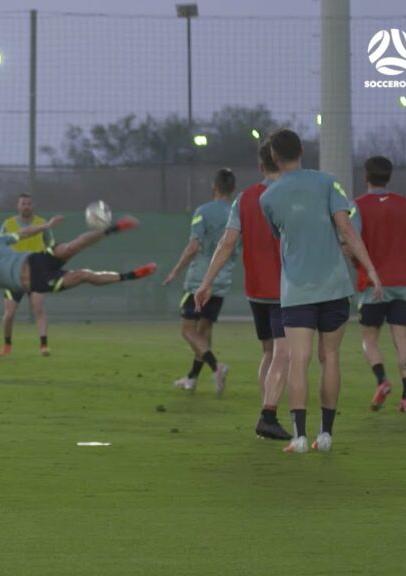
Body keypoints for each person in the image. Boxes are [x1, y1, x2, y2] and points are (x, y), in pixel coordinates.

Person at [259, 128, 383, 454]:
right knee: (330, 358)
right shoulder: (328, 182)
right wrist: (370, 269)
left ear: (273, 156)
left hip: (297, 290)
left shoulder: (267, 197)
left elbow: (279, 233)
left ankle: (299, 437)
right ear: (302, 150)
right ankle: (325, 435)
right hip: (334, 287)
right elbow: (346, 229)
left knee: (297, 361)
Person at [195, 143, 291, 440]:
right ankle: (269, 415)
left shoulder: (244, 199)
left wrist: (206, 281)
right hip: (286, 289)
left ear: (261, 167)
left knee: (268, 351)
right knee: (284, 353)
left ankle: (267, 413)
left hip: (256, 290)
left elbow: (226, 244)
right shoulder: (292, 195)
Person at [0, 215, 155, 355]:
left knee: (71, 246)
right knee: (83, 275)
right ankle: (131, 276)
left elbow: (23, 232)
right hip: (37, 282)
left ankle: (111, 229)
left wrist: (46, 225)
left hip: (37, 260)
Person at [352, 156, 406, 413]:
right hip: (405, 280)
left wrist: (356, 260)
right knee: (401, 337)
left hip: (373, 283)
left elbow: (351, 243)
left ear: (366, 177)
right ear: (389, 176)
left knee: (369, 338)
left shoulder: (358, 206)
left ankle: (382, 380)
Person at [162, 168, 236, 396]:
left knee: (187, 330)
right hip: (222, 280)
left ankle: (217, 366)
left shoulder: (202, 212)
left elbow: (194, 246)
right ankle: (192, 378)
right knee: (204, 332)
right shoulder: (237, 213)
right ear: (232, 189)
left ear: (214, 187)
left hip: (199, 282)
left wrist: (175, 269)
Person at [0, 194, 55, 356]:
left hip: (36, 272)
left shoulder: (42, 223)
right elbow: (0, 243)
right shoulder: (8, 224)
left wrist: (47, 262)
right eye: (23, 203)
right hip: (13, 273)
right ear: (18, 206)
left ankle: (44, 344)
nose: (26, 206)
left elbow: (51, 244)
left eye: (29, 203)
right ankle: (7, 344)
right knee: (9, 314)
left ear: (33, 206)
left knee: (39, 309)